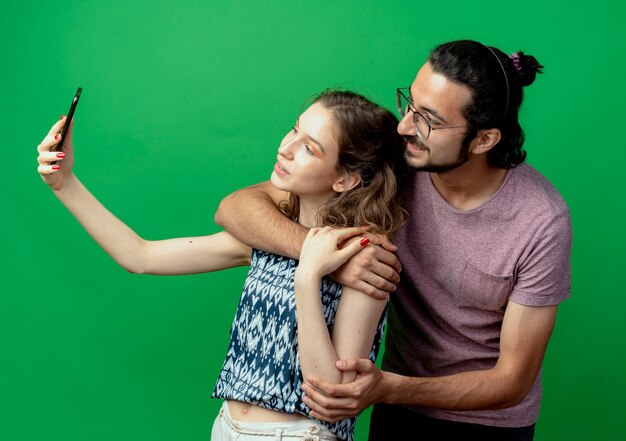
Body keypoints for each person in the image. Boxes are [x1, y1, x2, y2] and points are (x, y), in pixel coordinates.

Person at [214, 39, 573, 440]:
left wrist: (390, 386)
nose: (404, 127)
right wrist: (329, 256)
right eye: (410, 104)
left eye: (428, 121)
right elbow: (236, 207)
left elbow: (512, 380)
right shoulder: (399, 167)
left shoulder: (542, 220)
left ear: (484, 140)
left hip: (487, 424)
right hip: (394, 410)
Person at [36, 89, 405, 441]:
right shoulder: (271, 236)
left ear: (345, 179)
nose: (286, 147)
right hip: (227, 427)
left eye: (309, 148)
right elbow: (140, 255)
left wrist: (308, 278)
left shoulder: (364, 258)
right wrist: (64, 183)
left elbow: (332, 397)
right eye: (295, 129)